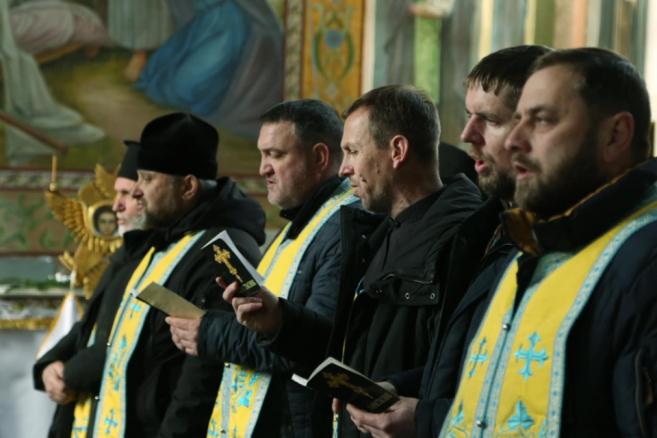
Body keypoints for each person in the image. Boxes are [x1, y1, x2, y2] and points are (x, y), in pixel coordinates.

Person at [227, 85, 482, 437]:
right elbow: (346, 346)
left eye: (352, 151)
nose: (343, 169)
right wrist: (279, 321)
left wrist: (405, 394)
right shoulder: (376, 232)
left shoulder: (464, 240)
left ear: (397, 151)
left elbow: (466, 367)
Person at [439, 48, 657, 437]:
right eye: (517, 120)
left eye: (541, 120)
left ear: (615, 135)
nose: (513, 141)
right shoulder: (535, 240)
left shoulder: (646, 264)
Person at [343, 45, 551, 438]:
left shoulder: (467, 234)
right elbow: (469, 362)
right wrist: (401, 386)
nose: (466, 134)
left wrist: (427, 418)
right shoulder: (492, 230)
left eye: (489, 119)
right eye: (469, 116)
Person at [166, 99, 357, 437]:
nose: (263, 169)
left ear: (319, 158)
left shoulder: (344, 225)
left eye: (275, 155)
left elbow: (311, 342)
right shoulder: (298, 226)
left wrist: (210, 332)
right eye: (262, 155)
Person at [91, 112, 266, 438]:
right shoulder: (171, 238)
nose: (137, 191)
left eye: (147, 179)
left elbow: (203, 374)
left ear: (187, 186)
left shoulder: (222, 250)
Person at [33, 144, 149, 438]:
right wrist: (49, 365)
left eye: (126, 194)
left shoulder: (157, 259)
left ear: (150, 194)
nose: (115, 206)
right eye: (116, 194)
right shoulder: (124, 256)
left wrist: (69, 374)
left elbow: (126, 340)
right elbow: (89, 327)